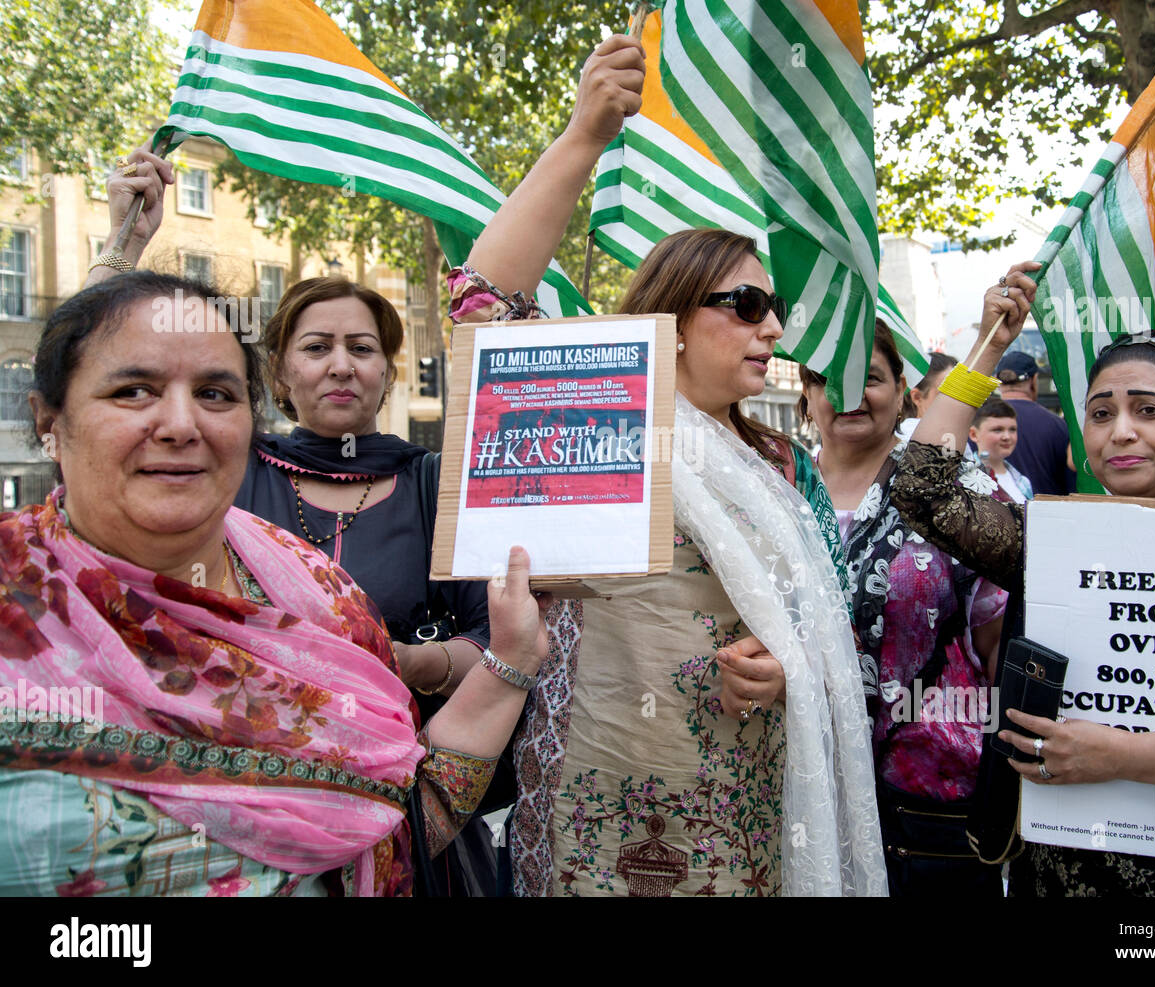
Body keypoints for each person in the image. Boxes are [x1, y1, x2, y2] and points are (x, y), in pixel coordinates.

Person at [450, 34, 885, 896]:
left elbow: (826, 619)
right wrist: (584, 137)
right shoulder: (601, 420)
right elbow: (483, 309)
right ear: (677, 318)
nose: (772, 328)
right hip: (603, 786)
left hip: (750, 804)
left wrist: (778, 656)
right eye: (747, 304)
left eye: (777, 309)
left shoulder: (781, 464)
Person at [0, 272, 550, 895]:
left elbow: (397, 820)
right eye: (133, 391)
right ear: (49, 420)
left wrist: (508, 659)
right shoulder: (18, 603)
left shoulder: (334, 601)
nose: (182, 425)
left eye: (214, 394)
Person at [97, 159, 505, 895]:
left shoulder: (437, 484)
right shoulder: (225, 470)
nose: (341, 365)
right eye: (316, 348)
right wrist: (122, 246)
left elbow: (496, 642)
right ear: (280, 375)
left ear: (389, 370)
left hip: (409, 811)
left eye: (363, 348)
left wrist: (410, 665)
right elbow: (99, 401)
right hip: (225, 807)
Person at [893, 261, 1155, 895]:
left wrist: (1127, 755)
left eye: (1149, 410)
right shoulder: (1050, 540)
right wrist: (989, 348)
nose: (1122, 431)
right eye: (1102, 412)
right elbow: (921, 488)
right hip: (1060, 870)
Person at [799, 337, 1008, 897]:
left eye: (868, 377)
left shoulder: (959, 490)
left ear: (902, 395)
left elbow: (996, 642)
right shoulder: (777, 488)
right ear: (806, 395)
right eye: (826, 379)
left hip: (932, 796)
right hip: (802, 786)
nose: (849, 395)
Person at [994, 350, 1074, 495]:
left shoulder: (978, 424)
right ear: (1034, 380)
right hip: (1045, 513)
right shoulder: (1057, 425)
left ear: (997, 381)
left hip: (993, 514)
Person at [970, 397, 1032, 504]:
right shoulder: (964, 480)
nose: (1007, 436)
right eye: (997, 430)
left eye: (1012, 429)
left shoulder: (1023, 482)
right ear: (974, 434)